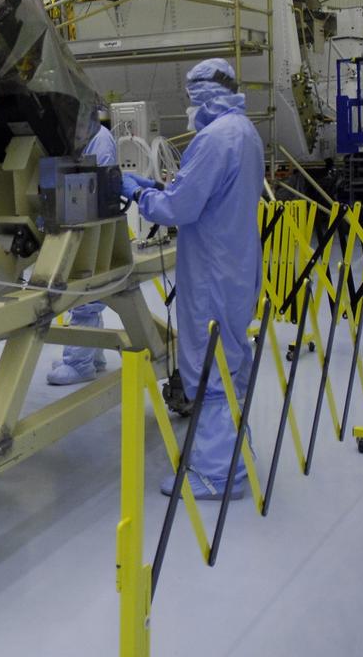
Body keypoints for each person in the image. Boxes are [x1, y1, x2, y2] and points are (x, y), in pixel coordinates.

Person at [120, 59, 263, 501]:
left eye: (191, 97)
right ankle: (234, 451)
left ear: (203, 96)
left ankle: (218, 474)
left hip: (212, 273)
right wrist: (160, 187)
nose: (189, 107)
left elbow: (179, 209)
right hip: (237, 265)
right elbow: (205, 193)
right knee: (230, 360)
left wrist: (141, 194)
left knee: (209, 366)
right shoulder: (245, 132)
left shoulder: (214, 138)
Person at [49, 109, 119, 385]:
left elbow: (99, 187)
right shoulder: (80, 137)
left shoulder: (100, 139)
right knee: (84, 292)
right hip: (78, 221)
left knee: (84, 294)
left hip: (94, 227)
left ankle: (79, 364)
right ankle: (93, 356)